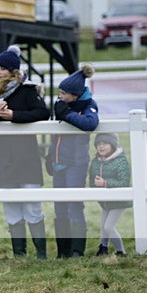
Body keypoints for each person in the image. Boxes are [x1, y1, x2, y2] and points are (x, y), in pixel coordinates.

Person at [0, 45, 50, 258]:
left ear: (13, 71)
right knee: (11, 206)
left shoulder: (26, 90)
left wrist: (15, 116)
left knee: (32, 205)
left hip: (26, 156)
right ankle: (19, 254)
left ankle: (41, 253)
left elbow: (43, 112)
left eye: (3, 68)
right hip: (2, 157)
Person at [47, 63, 98, 258]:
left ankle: (77, 250)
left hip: (76, 163)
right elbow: (56, 134)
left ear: (74, 94)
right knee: (59, 206)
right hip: (58, 162)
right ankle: (63, 251)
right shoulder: (63, 105)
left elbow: (90, 124)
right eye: (59, 92)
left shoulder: (88, 105)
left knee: (75, 205)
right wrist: (50, 156)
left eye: (63, 93)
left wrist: (67, 115)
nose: (60, 96)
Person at [88, 132, 131, 256]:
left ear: (112, 145)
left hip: (119, 201)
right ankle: (103, 248)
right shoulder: (96, 161)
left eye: (105, 143)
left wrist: (105, 183)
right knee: (103, 226)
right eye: (99, 144)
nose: (101, 147)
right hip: (105, 201)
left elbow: (124, 182)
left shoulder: (121, 161)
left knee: (108, 227)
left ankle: (121, 251)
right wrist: (94, 187)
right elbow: (92, 179)